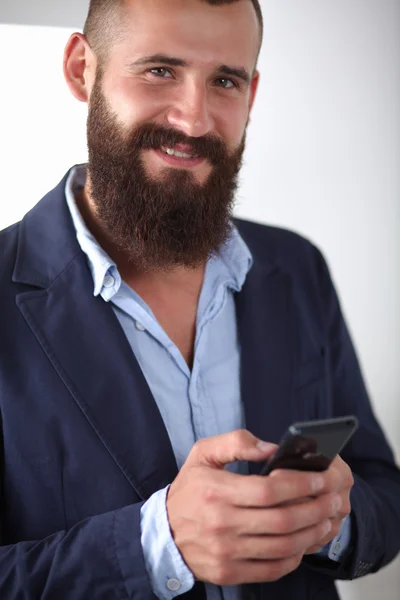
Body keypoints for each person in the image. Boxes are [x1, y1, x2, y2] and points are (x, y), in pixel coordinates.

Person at [0, 0, 399, 598]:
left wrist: (331, 520)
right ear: (83, 68)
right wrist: (154, 544)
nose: (194, 120)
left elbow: (382, 495)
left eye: (224, 81)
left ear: (252, 93)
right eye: (160, 70)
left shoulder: (296, 267)